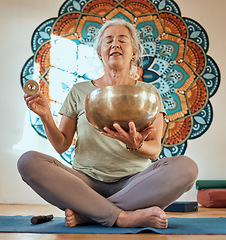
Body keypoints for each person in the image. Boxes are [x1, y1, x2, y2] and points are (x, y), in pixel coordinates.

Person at [18, 18, 198, 229]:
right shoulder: (79, 91)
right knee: (27, 162)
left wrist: (137, 144)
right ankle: (123, 217)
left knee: (187, 168)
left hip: (135, 183)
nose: (115, 44)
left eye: (123, 40)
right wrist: (46, 115)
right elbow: (61, 145)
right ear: (100, 52)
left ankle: (90, 213)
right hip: (84, 183)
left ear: (134, 52)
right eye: (108, 40)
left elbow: (154, 151)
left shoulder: (150, 93)